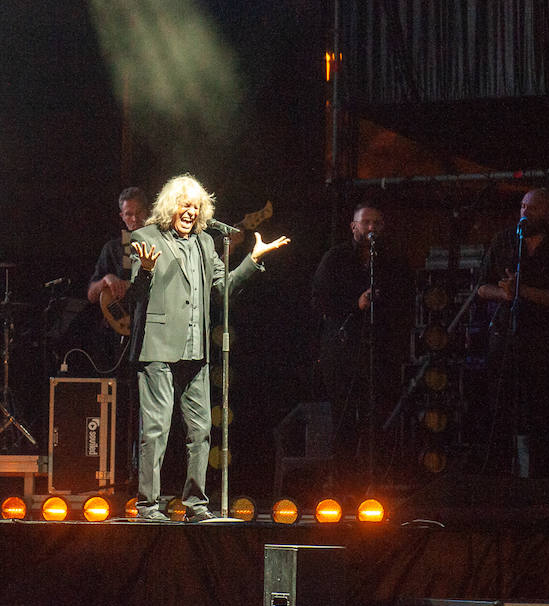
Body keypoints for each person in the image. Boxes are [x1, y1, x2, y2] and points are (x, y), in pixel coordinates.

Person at [126, 174, 290, 522]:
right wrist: (147, 271)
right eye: (185, 205)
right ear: (171, 206)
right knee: (155, 430)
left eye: (196, 207)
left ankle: (196, 505)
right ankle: (147, 507)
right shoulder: (145, 238)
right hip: (157, 350)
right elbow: (134, 300)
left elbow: (223, 290)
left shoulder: (205, 243)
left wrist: (253, 260)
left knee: (200, 430)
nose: (190, 212)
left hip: (196, 351)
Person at [475, 188, 549, 479]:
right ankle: (498, 481)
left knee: (540, 417)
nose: (524, 213)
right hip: (506, 338)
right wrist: (506, 295)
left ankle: (539, 484)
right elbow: (482, 287)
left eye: (531, 208)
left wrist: (524, 291)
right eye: (521, 207)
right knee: (499, 412)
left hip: (545, 342)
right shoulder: (504, 240)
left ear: (548, 211)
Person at [309, 202, 411, 475]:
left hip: (379, 351)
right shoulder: (335, 258)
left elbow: (404, 303)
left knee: (376, 417)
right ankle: (342, 481)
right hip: (342, 350)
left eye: (376, 223)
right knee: (343, 417)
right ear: (353, 226)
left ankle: (374, 479)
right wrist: (355, 303)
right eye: (366, 223)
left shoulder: (392, 261)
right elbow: (320, 300)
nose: (371, 228)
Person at [87, 186, 151, 319]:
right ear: (122, 216)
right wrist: (106, 280)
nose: (134, 219)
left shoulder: (160, 244)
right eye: (128, 214)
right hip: (121, 327)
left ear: (147, 212)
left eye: (139, 212)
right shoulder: (112, 248)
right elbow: (91, 295)